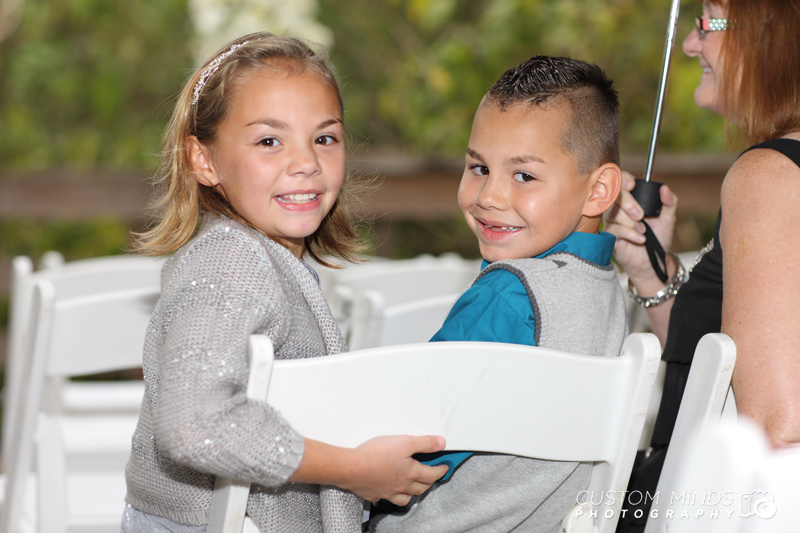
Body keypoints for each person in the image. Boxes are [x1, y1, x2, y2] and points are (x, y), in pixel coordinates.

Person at [121, 33, 449, 533]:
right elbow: (193, 426)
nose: (306, 163)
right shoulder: (232, 260)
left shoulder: (260, 256)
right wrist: (356, 470)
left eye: (325, 138)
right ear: (202, 160)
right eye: (269, 141)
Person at [369, 56, 627, 533]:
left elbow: (414, 439)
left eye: (523, 175)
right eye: (478, 167)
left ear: (599, 191)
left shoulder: (508, 296)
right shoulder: (607, 291)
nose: (489, 195)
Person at [605, 0, 800, 530]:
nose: (692, 44)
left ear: (772, 32)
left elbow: (774, 437)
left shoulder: (771, 177)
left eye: (708, 22)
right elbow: (719, 377)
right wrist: (655, 276)